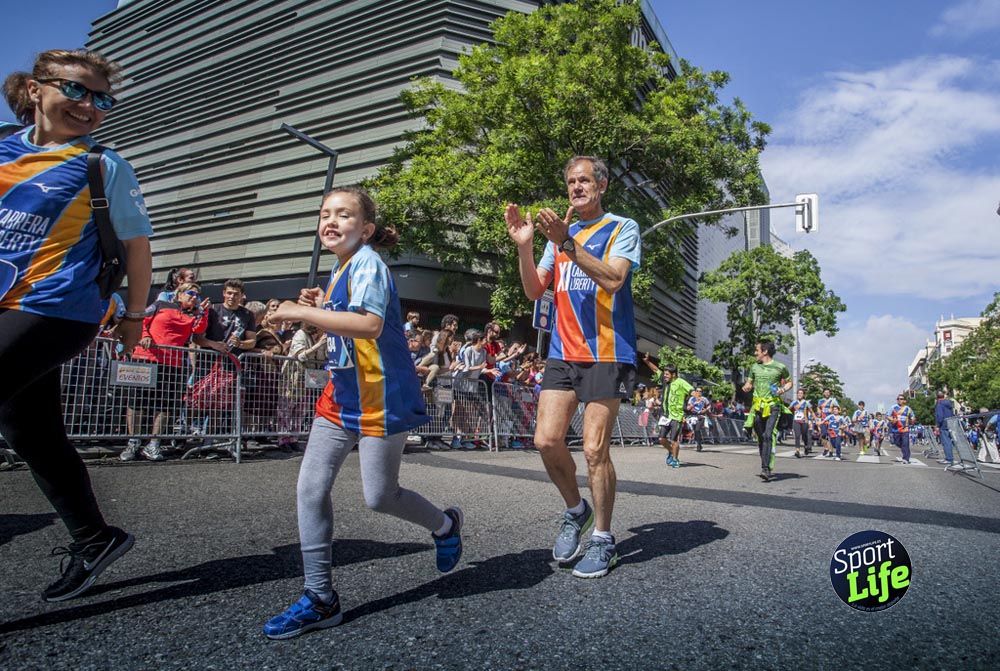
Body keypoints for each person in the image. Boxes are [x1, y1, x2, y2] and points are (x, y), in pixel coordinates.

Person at [262, 186, 463, 639]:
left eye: (344, 215)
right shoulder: (342, 267)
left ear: (366, 229)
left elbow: (369, 325)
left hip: (381, 395)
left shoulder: (369, 262)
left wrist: (302, 312)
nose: (331, 221)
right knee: (310, 489)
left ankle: (445, 524)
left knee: (380, 497)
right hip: (341, 395)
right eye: (325, 214)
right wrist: (320, 305)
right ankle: (320, 597)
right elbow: (346, 319)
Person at [0, 49, 152, 600]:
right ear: (36, 89)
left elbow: (137, 248)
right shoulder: (1, 149)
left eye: (102, 99)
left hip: (58, 307)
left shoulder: (101, 165)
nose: (90, 106)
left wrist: (135, 315)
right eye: (78, 91)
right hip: (5, 303)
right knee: (28, 430)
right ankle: (95, 538)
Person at [506, 155, 641, 578]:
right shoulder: (556, 236)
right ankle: (575, 509)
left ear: (601, 186)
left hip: (607, 351)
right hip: (563, 352)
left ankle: (603, 539)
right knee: (546, 440)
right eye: (571, 182)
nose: (576, 187)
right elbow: (533, 290)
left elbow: (613, 279)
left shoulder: (623, 228)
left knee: (595, 448)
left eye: (584, 180)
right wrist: (526, 246)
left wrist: (567, 243)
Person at [123, 282, 210, 461]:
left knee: (165, 405)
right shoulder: (161, 305)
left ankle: (154, 444)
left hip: (173, 364)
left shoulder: (192, 315)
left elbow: (198, 332)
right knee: (136, 402)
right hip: (146, 358)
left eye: (197, 296)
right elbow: (143, 319)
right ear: (178, 294)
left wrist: (203, 312)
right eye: (190, 293)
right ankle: (133, 443)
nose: (194, 297)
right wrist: (145, 336)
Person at [741, 340, 792, 482]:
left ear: (765, 351)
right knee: (761, 438)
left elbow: (789, 382)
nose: (755, 353)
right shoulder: (754, 367)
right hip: (757, 407)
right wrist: (747, 386)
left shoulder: (780, 367)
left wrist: (782, 389)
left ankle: (766, 469)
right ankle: (765, 462)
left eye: (757, 350)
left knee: (769, 435)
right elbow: (749, 383)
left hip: (773, 406)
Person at [658, 364, 693, 467]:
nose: (665, 376)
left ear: (673, 374)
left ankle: (675, 459)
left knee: (674, 440)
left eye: (667, 374)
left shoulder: (681, 382)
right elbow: (656, 370)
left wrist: (696, 394)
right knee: (661, 439)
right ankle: (671, 451)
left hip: (677, 416)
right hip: (666, 416)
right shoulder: (665, 381)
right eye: (664, 374)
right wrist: (647, 361)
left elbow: (691, 390)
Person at [889, 393, 916, 464]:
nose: (899, 400)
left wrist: (913, 420)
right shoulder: (893, 407)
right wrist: (891, 420)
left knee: (905, 443)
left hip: (905, 429)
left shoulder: (908, 409)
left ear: (904, 401)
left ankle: (906, 458)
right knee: (897, 442)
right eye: (898, 399)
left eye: (901, 399)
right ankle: (905, 450)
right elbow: (887, 416)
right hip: (896, 429)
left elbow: (912, 417)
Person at [934, 391, 957, 465]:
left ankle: (949, 458)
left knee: (945, 442)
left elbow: (939, 416)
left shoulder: (939, 404)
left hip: (943, 425)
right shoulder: (949, 403)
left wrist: (937, 425)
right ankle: (950, 457)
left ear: (937, 397)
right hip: (950, 423)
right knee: (949, 442)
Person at [789, 389, 812, 458]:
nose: (799, 394)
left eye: (801, 393)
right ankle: (797, 451)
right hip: (796, 421)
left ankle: (806, 446)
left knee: (804, 435)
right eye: (798, 393)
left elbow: (811, 411)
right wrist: (792, 408)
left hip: (804, 421)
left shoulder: (806, 402)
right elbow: (788, 409)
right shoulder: (794, 402)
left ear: (803, 395)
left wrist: (812, 420)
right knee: (797, 435)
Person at [686, 387, 710, 452]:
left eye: (700, 391)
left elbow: (709, 405)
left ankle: (698, 445)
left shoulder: (704, 399)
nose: (698, 392)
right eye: (697, 391)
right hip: (693, 416)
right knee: (695, 431)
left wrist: (706, 409)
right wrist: (694, 404)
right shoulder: (692, 399)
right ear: (695, 391)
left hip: (701, 416)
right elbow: (688, 407)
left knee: (697, 430)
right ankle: (699, 443)